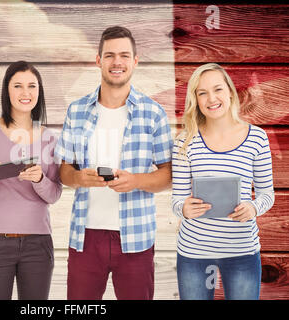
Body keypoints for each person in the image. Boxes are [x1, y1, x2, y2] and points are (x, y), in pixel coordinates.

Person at [54, 26, 173, 300]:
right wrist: (78, 178)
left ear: (135, 60)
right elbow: (64, 170)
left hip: (136, 237)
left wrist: (137, 181)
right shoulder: (77, 110)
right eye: (109, 55)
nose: (116, 62)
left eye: (123, 55)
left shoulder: (153, 113)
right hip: (86, 236)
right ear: (98, 60)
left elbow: (168, 174)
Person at [171, 63, 275, 300]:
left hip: (242, 251)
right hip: (194, 253)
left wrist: (254, 207)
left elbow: (267, 193)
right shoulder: (184, 141)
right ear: (195, 100)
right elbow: (177, 200)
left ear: (229, 91)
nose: (211, 99)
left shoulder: (257, 138)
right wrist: (184, 209)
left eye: (217, 89)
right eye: (202, 93)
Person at [0, 61, 62, 300]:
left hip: (38, 244)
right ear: (7, 91)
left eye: (32, 86)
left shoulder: (50, 138)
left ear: (40, 91)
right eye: (18, 86)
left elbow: (55, 193)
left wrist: (39, 179)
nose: (25, 93)